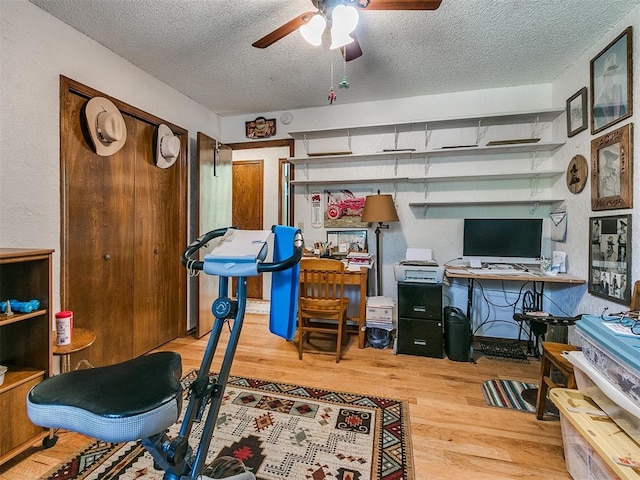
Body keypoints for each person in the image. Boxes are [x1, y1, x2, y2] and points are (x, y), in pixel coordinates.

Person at [593, 52, 626, 129]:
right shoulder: (599, 103)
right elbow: (601, 126)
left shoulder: (618, 90)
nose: (611, 80)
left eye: (612, 76)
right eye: (609, 76)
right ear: (603, 79)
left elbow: (623, 111)